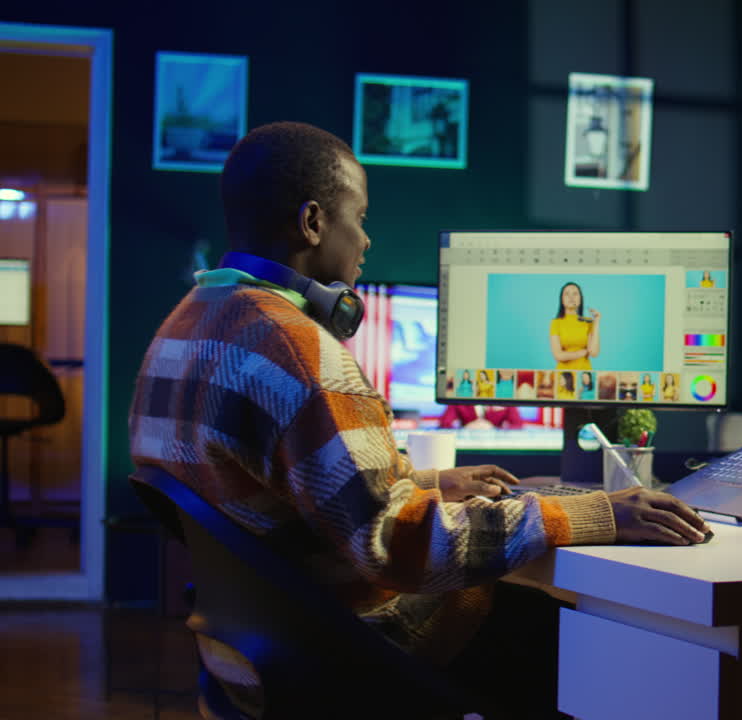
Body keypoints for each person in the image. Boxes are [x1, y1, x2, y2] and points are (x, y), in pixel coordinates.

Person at [128, 121, 711, 719]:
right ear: (312, 223)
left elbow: (287, 496)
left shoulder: (183, 328)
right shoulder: (299, 350)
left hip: (252, 659)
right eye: (359, 217)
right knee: (595, 641)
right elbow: (402, 546)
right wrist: (598, 513)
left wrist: (435, 484)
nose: (367, 240)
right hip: (358, 655)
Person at [549, 281, 600, 370]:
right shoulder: (556, 323)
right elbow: (558, 356)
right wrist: (582, 353)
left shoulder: (588, 322)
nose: (571, 297)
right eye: (567, 294)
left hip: (584, 371)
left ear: (580, 299)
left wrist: (596, 322)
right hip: (563, 372)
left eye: (575, 294)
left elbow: (593, 352)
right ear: (562, 300)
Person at [437, 404, 524, 430]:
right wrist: (465, 429)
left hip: (495, 446)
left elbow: (517, 424)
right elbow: (444, 424)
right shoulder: (460, 400)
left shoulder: (503, 398)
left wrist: (495, 430)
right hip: (468, 445)